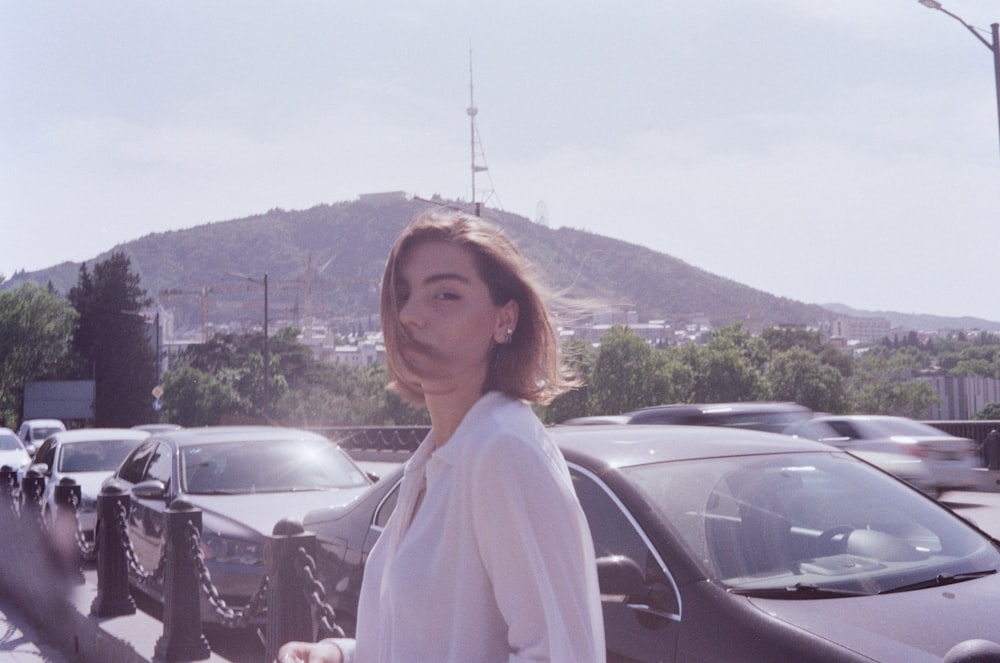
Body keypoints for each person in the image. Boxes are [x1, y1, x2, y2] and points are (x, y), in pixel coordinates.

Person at [278, 211, 606, 663]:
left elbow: (560, 654)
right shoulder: (434, 460)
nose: (411, 315)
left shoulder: (503, 452)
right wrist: (339, 654)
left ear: (504, 320)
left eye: (446, 295)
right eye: (403, 296)